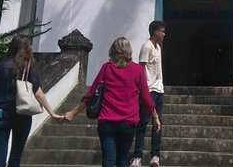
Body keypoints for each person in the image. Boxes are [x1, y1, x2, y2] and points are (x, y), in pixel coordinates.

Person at [63, 37, 161, 167]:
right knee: (122, 159)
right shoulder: (137, 70)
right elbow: (146, 97)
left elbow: (91, 94)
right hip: (128, 122)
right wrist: (155, 117)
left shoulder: (106, 68)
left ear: (113, 51)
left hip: (107, 122)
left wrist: (72, 113)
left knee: (108, 160)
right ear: (129, 51)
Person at [0, 35, 63, 167]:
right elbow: (38, 92)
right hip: (21, 115)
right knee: (15, 157)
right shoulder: (28, 67)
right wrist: (51, 112)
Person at [131, 21, 166, 167]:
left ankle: (155, 156)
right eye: (162, 31)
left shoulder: (158, 47)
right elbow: (141, 69)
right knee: (142, 123)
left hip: (159, 90)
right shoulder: (146, 47)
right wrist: (142, 89)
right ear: (155, 32)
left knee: (157, 125)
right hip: (148, 90)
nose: (164, 34)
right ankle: (137, 156)